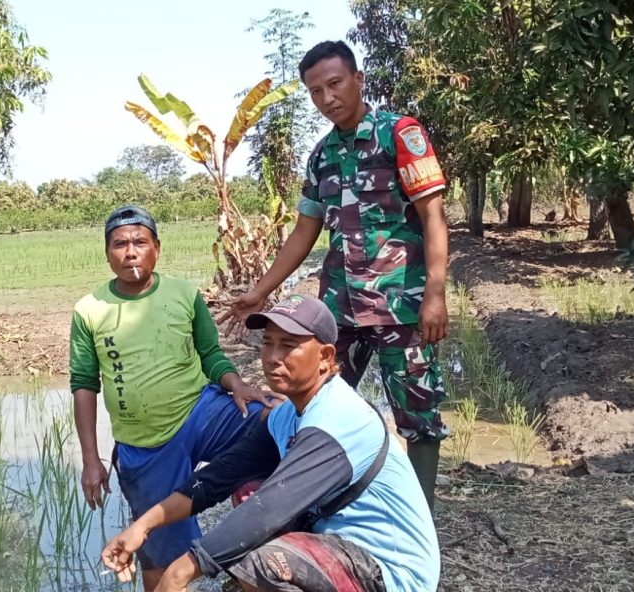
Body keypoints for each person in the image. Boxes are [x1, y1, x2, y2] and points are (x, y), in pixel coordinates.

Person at [221, 40, 451, 508]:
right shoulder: (321, 155)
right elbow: (304, 231)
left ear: (358, 79)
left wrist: (435, 294)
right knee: (317, 404)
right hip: (339, 310)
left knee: (417, 412)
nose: (327, 98)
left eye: (335, 84)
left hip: (400, 306)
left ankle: (421, 517)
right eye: (315, 91)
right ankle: (316, 503)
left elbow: (433, 216)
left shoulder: (399, 134)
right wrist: (260, 293)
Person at [102, 295, 440, 592]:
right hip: (339, 545)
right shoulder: (286, 415)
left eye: (289, 345)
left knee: (262, 561)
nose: (273, 356)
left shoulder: (336, 419)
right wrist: (142, 526)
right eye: (267, 342)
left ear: (324, 356)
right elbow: (217, 478)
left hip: (391, 572)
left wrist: (179, 572)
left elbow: (269, 510)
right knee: (245, 489)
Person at [70, 204, 278, 592]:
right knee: (161, 561)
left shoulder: (185, 293)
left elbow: (211, 354)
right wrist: (89, 459)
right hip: (146, 443)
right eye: (119, 244)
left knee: (275, 419)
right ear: (107, 253)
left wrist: (236, 384)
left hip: (201, 411)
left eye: (139, 242)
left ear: (157, 249)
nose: (130, 251)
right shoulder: (89, 310)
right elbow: (84, 384)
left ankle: (261, 516)